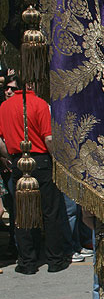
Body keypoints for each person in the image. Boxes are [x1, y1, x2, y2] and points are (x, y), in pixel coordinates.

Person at [0, 79, 73, 274]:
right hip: (40, 161)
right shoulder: (40, 104)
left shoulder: (4, 107)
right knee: (50, 211)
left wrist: (8, 155)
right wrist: (57, 159)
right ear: (31, 85)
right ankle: (55, 260)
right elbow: (48, 137)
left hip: (17, 161)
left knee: (22, 213)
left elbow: (0, 139)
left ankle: (27, 261)